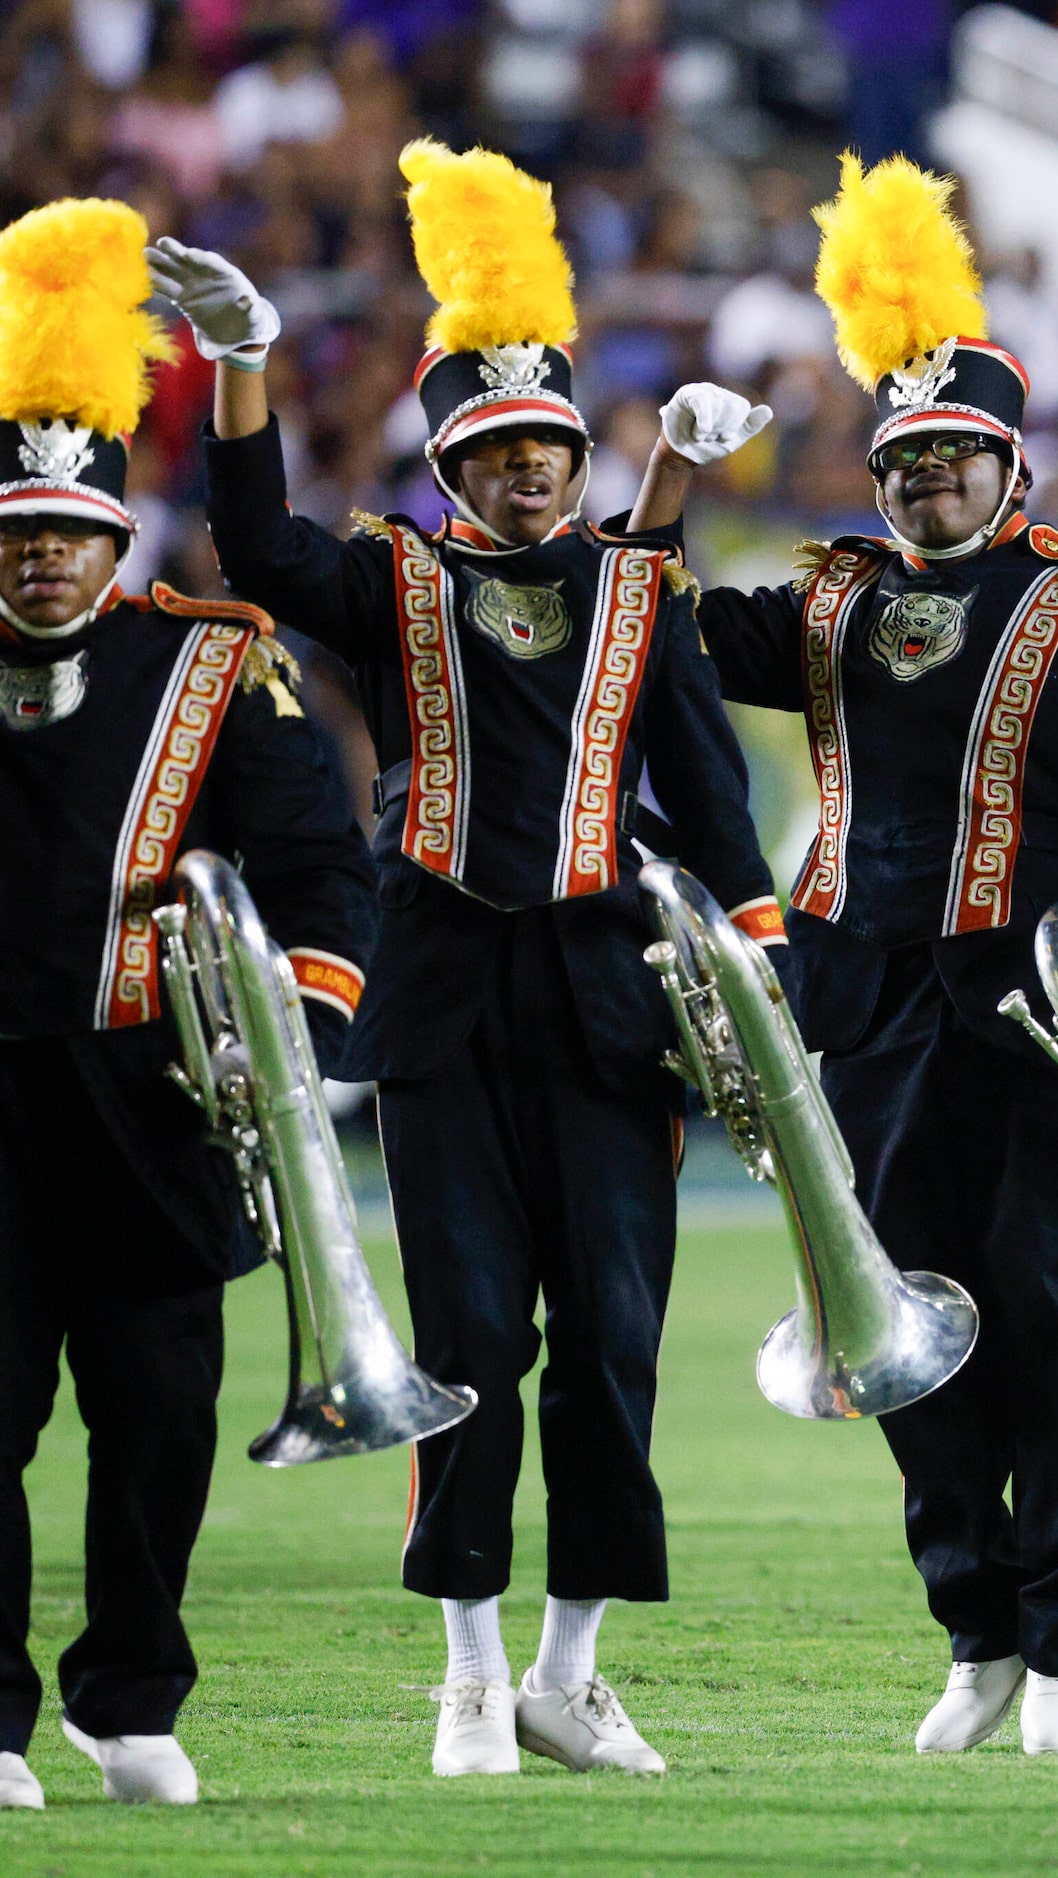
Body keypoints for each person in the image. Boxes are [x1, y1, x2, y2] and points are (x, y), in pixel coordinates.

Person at [160, 139, 779, 1777]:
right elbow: (260, 555)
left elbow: (714, 804)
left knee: (616, 1343)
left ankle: (570, 1670)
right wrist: (242, 370)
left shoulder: (644, 593)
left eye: (548, 450)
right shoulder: (393, 576)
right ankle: (467, 1667)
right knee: (464, 1346)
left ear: (580, 456)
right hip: (438, 992)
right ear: (451, 461)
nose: (526, 475)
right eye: (497, 451)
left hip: (604, 999)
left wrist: (766, 959)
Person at [633, 155, 1058, 1757]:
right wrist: (668, 483)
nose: (927, 488)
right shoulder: (830, 598)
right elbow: (644, 631)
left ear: (1012, 465)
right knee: (895, 1328)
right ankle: (973, 1625)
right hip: (872, 1004)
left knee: (1050, 1310)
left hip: (1053, 1016)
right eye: (905, 465)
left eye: (957, 461)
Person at [0, 197, 374, 1811]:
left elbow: (318, 862)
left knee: (157, 1426)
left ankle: (131, 1691)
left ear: (118, 544)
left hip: (159, 1106)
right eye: (16, 532)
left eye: (69, 535)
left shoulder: (215, 660)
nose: (42, 556)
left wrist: (299, 1026)